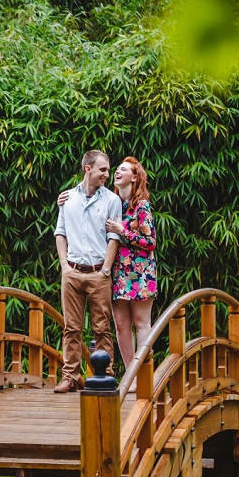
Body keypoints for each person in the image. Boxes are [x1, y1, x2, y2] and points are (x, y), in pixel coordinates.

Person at [59, 156, 157, 384]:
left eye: (121, 169)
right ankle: (130, 379)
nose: (114, 173)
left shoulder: (141, 205)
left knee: (141, 323)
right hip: (117, 272)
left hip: (140, 273)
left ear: (134, 177)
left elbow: (151, 241)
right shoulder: (113, 201)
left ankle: (144, 379)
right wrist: (64, 200)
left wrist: (122, 231)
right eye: (114, 169)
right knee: (121, 325)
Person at [52, 150, 121, 393]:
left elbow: (114, 237)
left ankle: (106, 375)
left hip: (98, 273)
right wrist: (63, 265)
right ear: (88, 169)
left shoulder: (112, 200)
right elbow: (60, 231)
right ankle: (70, 377)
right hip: (71, 271)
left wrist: (105, 270)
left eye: (108, 170)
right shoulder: (67, 198)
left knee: (102, 328)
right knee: (71, 328)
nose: (107, 174)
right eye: (103, 169)